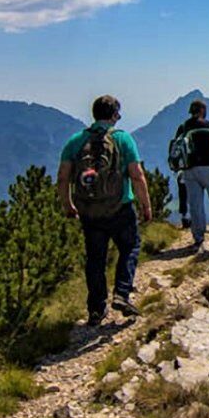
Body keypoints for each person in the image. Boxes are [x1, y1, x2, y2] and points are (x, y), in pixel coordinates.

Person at [57, 94, 152, 325]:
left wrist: (68, 204)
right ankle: (122, 292)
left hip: (89, 210)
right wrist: (146, 205)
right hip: (120, 207)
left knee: (95, 258)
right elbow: (137, 176)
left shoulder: (75, 141)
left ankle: (96, 309)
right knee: (130, 247)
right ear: (114, 115)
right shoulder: (123, 139)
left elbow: (63, 177)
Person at [176, 99, 209, 250]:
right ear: (202, 110)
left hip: (188, 169)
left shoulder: (183, 127)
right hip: (207, 167)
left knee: (195, 204)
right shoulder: (207, 126)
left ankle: (198, 238)